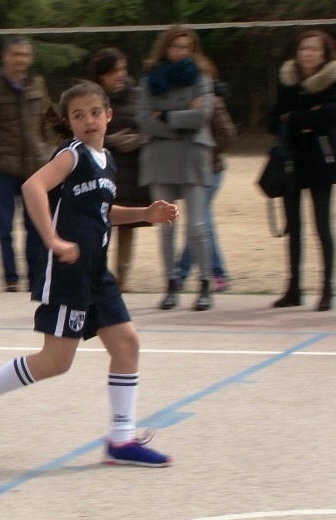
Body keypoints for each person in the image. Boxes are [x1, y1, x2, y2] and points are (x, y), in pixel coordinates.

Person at [0, 81, 179, 467]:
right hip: (68, 273)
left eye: (94, 112)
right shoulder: (72, 155)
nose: (88, 120)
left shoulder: (107, 161)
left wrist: (144, 214)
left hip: (96, 272)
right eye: (78, 115)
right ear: (69, 122)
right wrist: (52, 238)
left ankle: (121, 440)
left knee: (126, 345)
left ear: (108, 116)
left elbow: (102, 212)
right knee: (56, 360)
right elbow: (32, 187)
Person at [136, 24, 216, 311]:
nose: (181, 52)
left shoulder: (202, 79)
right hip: (160, 157)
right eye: (176, 46)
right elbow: (144, 120)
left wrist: (167, 117)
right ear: (165, 48)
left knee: (197, 226)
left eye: (186, 47)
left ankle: (205, 283)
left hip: (193, 155)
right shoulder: (150, 81)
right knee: (166, 226)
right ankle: (171, 284)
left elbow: (202, 116)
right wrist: (181, 122)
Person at [0, 35, 53, 298]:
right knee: (4, 228)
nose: (20, 60)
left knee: (36, 226)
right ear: (5, 57)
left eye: (25, 54)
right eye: (16, 54)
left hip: (35, 169)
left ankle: (35, 278)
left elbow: (50, 120)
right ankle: (10, 279)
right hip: (4, 169)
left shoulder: (37, 85)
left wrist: (48, 151)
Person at [268, 30, 336, 311]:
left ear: (324, 54)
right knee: (294, 226)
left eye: (314, 49)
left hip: (321, 161)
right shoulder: (287, 81)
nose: (308, 54)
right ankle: (294, 288)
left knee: (322, 225)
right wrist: (303, 119)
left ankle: (327, 288)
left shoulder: (332, 81)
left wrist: (294, 117)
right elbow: (273, 120)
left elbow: (330, 117)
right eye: (303, 48)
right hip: (291, 160)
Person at [86, 47, 149, 294]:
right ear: (102, 75)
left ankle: (122, 280)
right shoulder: (91, 97)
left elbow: (149, 123)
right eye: (115, 71)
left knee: (127, 225)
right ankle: (96, 276)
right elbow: (80, 131)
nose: (121, 75)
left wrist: (139, 138)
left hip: (130, 169)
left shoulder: (137, 96)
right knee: (98, 224)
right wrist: (111, 141)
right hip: (100, 169)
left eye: (123, 69)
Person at [176, 77, 236, 294]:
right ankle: (214, 273)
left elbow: (227, 135)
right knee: (202, 223)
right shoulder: (176, 103)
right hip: (189, 172)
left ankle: (183, 273)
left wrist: (203, 153)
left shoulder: (212, 101)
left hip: (210, 171)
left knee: (199, 223)